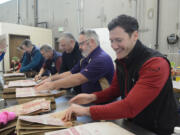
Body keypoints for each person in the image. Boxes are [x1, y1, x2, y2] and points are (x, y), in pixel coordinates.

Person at [62, 15, 179, 135]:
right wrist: (92, 97)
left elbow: (129, 107)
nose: (114, 46)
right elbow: (114, 90)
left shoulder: (155, 63)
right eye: (111, 41)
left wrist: (86, 110)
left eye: (119, 40)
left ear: (134, 35)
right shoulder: (122, 60)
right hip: (134, 123)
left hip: (156, 128)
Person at [36, 30, 114, 94]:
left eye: (81, 44)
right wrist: (50, 79)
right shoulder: (86, 59)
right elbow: (70, 73)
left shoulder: (100, 59)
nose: (79, 47)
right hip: (89, 100)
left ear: (92, 42)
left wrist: (51, 85)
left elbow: (79, 78)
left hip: (102, 104)